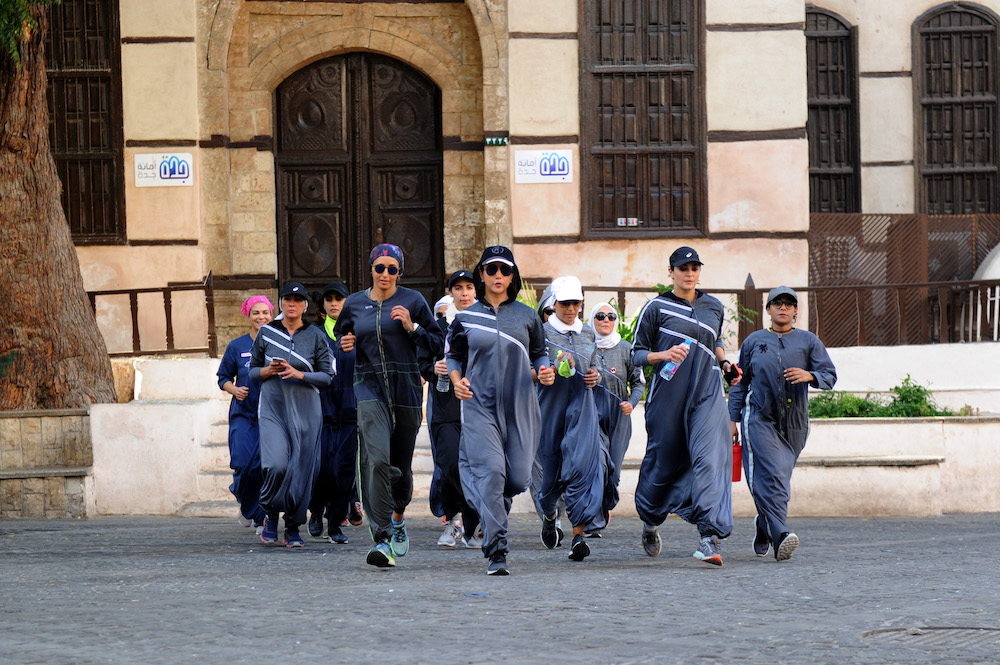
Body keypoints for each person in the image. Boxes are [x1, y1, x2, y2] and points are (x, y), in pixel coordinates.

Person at [447, 246, 554, 575]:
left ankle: (488, 506)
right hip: (479, 405)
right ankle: (497, 550)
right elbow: (454, 356)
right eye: (491, 269)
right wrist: (455, 381)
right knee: (492, 472)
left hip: (520, 406)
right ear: (481, 273)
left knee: (517, 478)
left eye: (504, 270)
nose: (497, 276)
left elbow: (539, 353)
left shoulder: (526, 316)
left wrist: (545, 370)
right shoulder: (466, 317)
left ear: (512, 276)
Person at [335, 244, 443, 568]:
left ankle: (398, 517)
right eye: (379, 268)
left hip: (406, 388)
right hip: (368, 387)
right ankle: (381, 537)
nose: (385, 274)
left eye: (392, 269)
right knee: (376, 460)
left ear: (400, 272)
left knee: (402, 470)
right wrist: (345, 344)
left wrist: (414, 327)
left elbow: (437, 343)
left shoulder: (413, 301)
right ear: (370, 269)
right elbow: (342, 338)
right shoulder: (354, 303)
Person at [631, 247, 738, 566]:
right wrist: (662, 355)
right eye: (683, 268)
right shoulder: (656, 308)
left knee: (709, 461)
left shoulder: (713, 306)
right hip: (667, 399)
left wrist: (725, 363)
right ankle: (650, 521)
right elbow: (635, 354)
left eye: (694, 267)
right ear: (671, 272)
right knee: (663, 465)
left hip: (707, 396)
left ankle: (709, 537)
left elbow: (715, 341)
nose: (689, 273)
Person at [728, 286, 837, 561]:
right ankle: (780, 534)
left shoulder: (808, 341)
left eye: (789, 304)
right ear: (768, 309)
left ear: (796, 310)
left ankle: (763, 524)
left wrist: (809, 375)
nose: (783, 308)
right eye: (777, 303)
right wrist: (732, 419)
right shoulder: (753, 341)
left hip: (795, 423)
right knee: (770, 476)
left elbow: (829, 375)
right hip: (759, 417)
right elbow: (740, 383)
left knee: (781, 481)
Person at [249, 282, 335, 547]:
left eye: (297, 300)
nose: (292, 304)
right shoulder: (266, 333)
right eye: (287, 299)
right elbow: (252, 371)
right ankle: (271, 514)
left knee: (301, 471)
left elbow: (327, 376)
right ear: (281, 303)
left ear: (305, 306)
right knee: (275, 465)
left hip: (307, 410)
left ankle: (293, 526)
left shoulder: (316, 335)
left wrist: (300, 374)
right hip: (274, 408)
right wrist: (267, 371)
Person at [535, 275, 605, 563]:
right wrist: (550, 368)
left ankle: (578, 535)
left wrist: (595, 375)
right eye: (565, 303)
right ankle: (550, 515)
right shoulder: (540, 333)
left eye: (576, 303)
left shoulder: (588, 333)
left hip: (582, 408)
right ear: (554, 303)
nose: (571, 308)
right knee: (550, 479)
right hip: (550, 409)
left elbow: (597, 363)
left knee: (582, 468)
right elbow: (530, 365)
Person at [419, 270, 482, 548]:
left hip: (479, 407)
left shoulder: (484, 323)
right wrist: (433, 368)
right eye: (459, 288)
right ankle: (455, 523)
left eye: (469, 287)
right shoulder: (437, 328)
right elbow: (420, 362)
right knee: (449, 465)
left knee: (477, 467)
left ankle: (474, 524)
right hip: (445, 408)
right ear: (451, 293)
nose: (465, 293)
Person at [216, 295, 273, 533]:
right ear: (248, 316)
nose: (261, 317)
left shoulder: (277, 345)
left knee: (260, 467)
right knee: (241, 462)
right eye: (255, 313)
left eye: (265, 313)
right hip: (243, 413)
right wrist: (235, 389)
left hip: (269, 414)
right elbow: (223, 378)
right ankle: (244, 497)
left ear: (272, 314)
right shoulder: (236, 346)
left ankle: (259, 517)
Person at [587, 302, 644, 537]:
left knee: (614, 472)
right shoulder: (585, 346)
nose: (605, 320)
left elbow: (639, 382)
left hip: (619, 417)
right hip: (591, 416)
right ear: (593, 320)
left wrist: (632, 402)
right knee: (597, 465)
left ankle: (605, 506)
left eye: (611, 316)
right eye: (600, 316)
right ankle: (593, 518)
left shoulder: (626, 349)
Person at [308, 281, 357, 545]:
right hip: (322, 411)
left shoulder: (358, 332)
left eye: (339, 298)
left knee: (345, 469)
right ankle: (316, 510)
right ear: (323, 305)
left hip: (350, 410)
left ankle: (335, 523)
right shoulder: (314, 334)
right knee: (323, 468)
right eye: (329, 299)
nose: (334, 303)